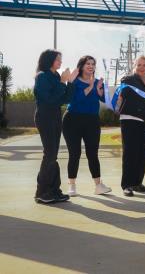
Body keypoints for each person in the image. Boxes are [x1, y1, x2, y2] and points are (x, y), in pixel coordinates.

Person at [63, 55, 111, 197]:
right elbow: (75, 100)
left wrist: (102, 92)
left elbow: (106, 100)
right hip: (72, 120)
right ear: (82, 66)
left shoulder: (98, 82)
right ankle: (72, 186)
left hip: (92, 121)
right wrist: (91, 86)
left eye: (93, 64)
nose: (91, 66)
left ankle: (98, 186)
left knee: (92, 154)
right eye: (88, 63)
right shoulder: (73, 81)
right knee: (75, 154)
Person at [33, 49, 78, 204]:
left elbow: (65, 98)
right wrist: (62, 82)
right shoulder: (42, 77)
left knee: (53, 155)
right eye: (58, 59)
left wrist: (69, 82)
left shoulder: (55, 76)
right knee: (50, 154)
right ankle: (42, 192)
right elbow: (49, 100)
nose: (60, 62)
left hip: (55, 117)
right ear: (49, 60)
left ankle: (54, 190)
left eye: (60, 59)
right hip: (45, 117)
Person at [115, 55, 145, 196]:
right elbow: (123, 94)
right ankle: (126, 185)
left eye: (144, 65)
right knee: (130, 153)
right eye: (138, 65)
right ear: (135, 66)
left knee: (141, 153)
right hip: (130, 120)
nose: (141, 67)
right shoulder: (128, 80)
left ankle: (137, 183)